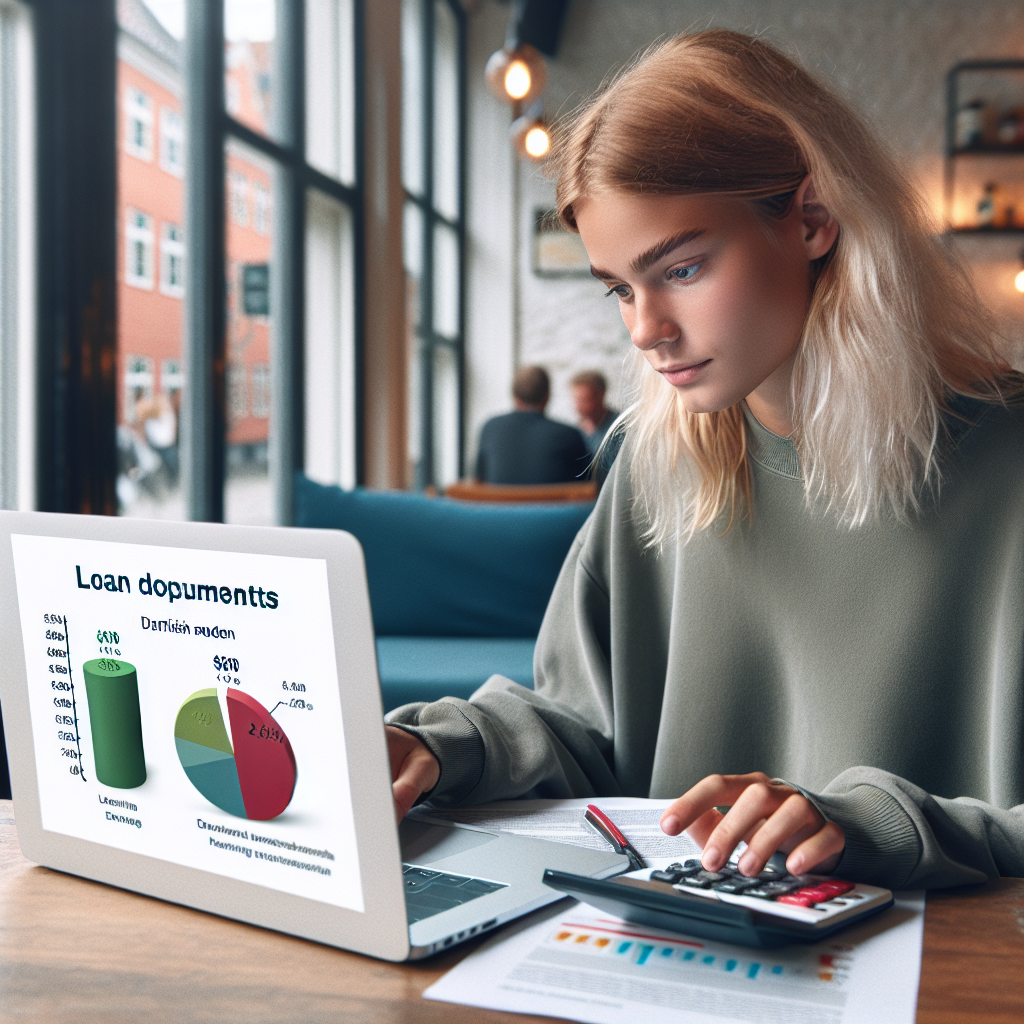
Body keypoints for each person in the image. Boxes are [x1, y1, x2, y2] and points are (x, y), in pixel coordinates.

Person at [385, 29, 1024, 891]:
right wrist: (436, 745)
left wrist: (872, 828)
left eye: (681, 269)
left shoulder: (1008, 464)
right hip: (668, 951)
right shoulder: (653, 470)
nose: (645, 330)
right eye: (620, 288)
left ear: (812, 220)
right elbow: (580, 724)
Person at [475, 365, 590, 485]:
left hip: (500, 498)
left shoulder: (490, 428)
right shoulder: (571, 435)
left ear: (515, 398)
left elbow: (479, 480)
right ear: (547, 397)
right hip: (552, 497)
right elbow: (587, 484)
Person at [570, 370, 618, 458]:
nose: (578, 407)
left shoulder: (618, 427)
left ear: (600, 396)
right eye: (576, 400)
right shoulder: (576, 430)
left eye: (584, 400)